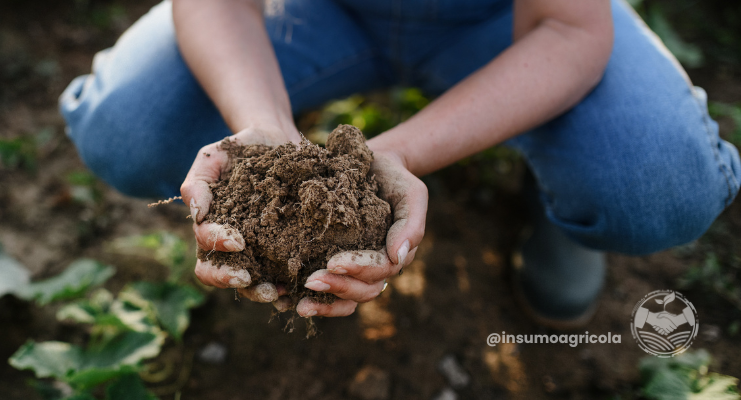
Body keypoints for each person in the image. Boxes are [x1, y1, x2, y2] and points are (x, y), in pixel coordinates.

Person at [58, 0, 740, 328]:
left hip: (511, 22)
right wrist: (263, 130)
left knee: (656, 185)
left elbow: (570, 28)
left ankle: (563, 203)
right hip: (316, 11)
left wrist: (398, 153)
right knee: (130, 132)